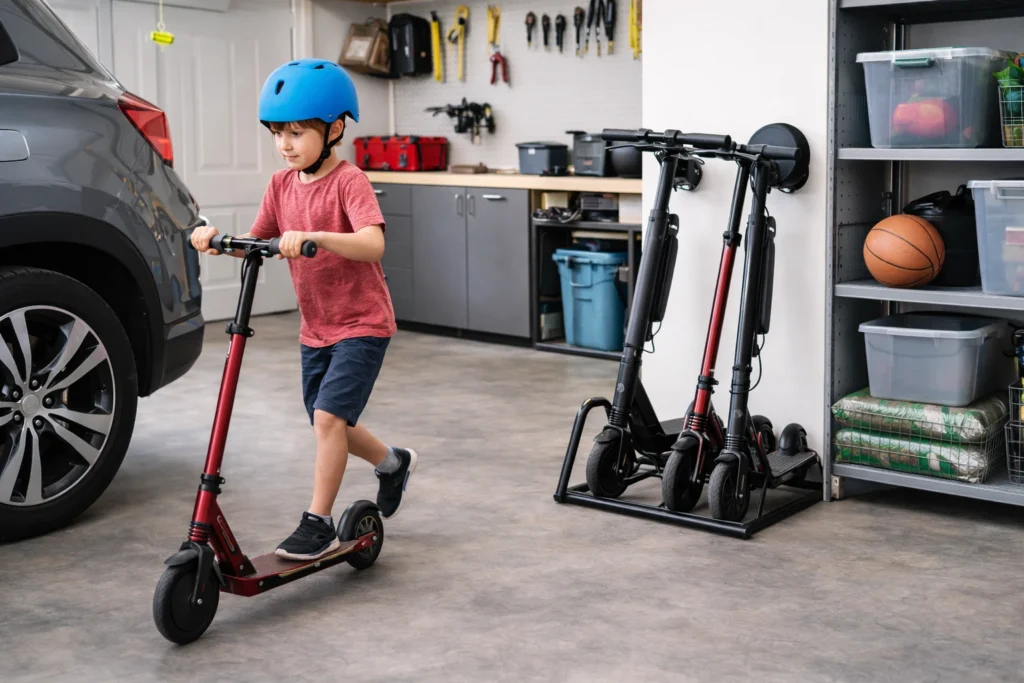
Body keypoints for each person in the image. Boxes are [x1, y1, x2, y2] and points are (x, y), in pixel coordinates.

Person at [190, 59, 417, 562]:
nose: (285, 144)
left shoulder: (349, 181)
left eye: (296, 132)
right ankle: (392, 463)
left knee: (330, 418)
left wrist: (317, 237)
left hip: (362, 323)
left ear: (334, 129)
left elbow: (373, 243)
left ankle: (317, 522)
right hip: (316, 327)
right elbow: (259, 240)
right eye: (278, 133)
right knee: (325, 419)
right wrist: (217, 241)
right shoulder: (281, 185)